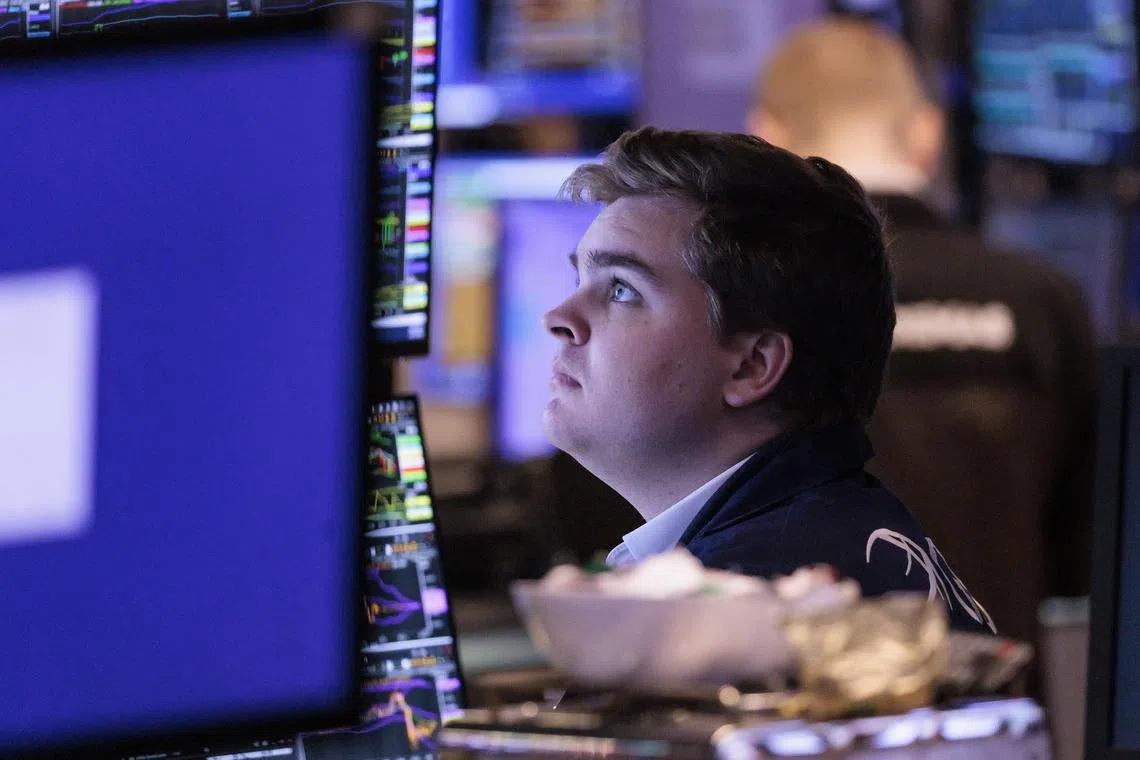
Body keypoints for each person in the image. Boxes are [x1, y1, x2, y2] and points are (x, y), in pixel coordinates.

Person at [542, 125, 993, 634]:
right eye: (579, 280)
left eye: (622, 290)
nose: (558, 317)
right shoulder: (834, 540)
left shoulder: (725, 626)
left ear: (752, 366)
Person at [748, 19, 1098, 646]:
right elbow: (1089, 553)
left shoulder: (749, 307)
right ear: (927, 135)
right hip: (996, 718)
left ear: (766, 137)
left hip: (798, 717)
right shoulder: (1043, 300)